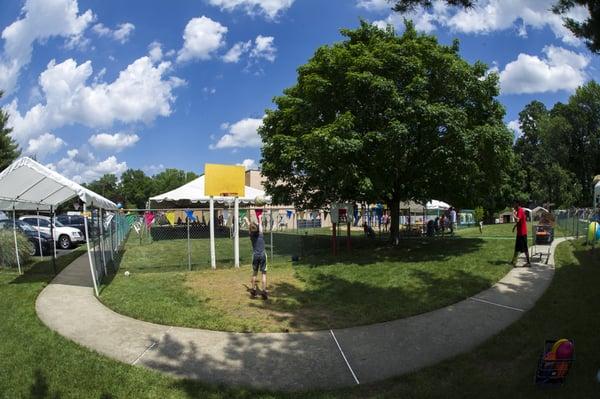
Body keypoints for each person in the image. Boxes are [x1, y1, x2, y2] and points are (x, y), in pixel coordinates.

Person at [249, 222, 268, 299]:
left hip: (255, 256)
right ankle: (263, 291)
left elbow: (250, 228)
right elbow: (260, 228)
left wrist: (247, 220)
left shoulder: (251, 236)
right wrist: (259, 219)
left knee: (254, 273)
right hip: (263, 255)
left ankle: (253, 290)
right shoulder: (261, 235)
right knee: (263, 274)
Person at [512, 200, 531, 267]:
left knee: (525, 248)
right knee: (517, 248)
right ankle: (513, 261)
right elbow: (518, 222)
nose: (513, 205)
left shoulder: (520, 210)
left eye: (514, 204)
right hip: (520, 233)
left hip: (522, 233)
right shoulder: (518, 211)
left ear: (517, 204)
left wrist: (513, 214)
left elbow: (517, 219)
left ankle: (528, 263)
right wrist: (514, 227)